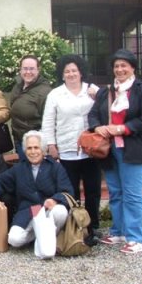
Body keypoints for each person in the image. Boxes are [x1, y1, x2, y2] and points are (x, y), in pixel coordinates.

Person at [88, 49, 142, 254]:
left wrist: (123, 128)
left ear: (132, 68)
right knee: (116, 192)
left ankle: (136, 238)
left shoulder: (141, 90)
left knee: (133, 195)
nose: (120, 69)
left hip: (133, 150)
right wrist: (97, 127)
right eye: (117, 66)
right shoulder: (106, 92)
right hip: (109, 151)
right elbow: (92, 115)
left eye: (124, 65)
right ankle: (118, 231)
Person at [41, 54, 101, 240]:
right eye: (67, 71)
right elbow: (48, 122)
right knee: (71, 192)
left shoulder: (92, 90)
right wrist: (50, 144)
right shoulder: (55, 94)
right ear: (62, 74)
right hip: (67, 150)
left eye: (74, 70)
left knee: (93, 191)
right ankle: (74, 227)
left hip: (91, 150)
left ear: (81, 72)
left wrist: (98, 96)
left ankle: (92, 227)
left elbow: (106, 109)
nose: (71, 74)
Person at [0, 131, 73, 253]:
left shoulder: (55, 167)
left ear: (42, 149)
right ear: (25, 151)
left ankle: (46, 241)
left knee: (61, 212)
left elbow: (67, 191)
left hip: (49, 210)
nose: (33, 151)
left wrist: (55, 199)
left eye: (36, 147)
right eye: (29, 148)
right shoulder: (19, 168)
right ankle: (41, 237)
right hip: (29, 211)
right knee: (14, 240)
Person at [9, 55, 51, 162]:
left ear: (38, 70)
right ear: (20, 70)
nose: (28, 72)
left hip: (35, 145)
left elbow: (48, 122)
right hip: (19, 140)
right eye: (25, 68)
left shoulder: (45, 92)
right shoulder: (18, 86)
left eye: (32, 69)